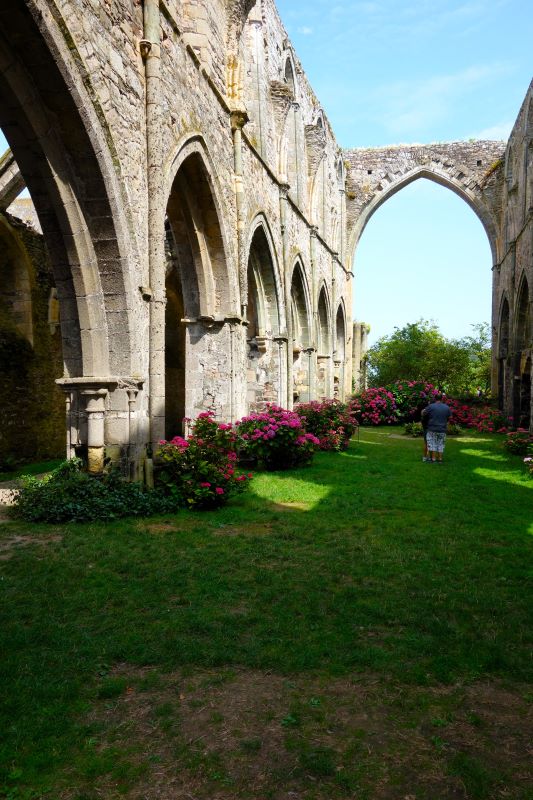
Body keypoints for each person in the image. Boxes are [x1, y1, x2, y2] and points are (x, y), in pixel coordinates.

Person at [421, 392, 452, 463]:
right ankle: (440, 459)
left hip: (432, 428)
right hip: (442, 429)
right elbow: (450, 417)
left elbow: (423, 413)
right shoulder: (447, 407)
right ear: (442, 398)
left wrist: (423, 411)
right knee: (441, 444)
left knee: (432, 444)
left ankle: (433, 459)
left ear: (435, 398)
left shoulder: (431, 406)